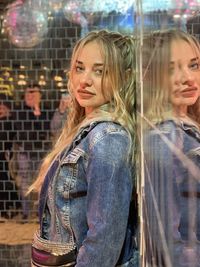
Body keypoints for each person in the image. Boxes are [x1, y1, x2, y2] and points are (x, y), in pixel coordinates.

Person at [29, 30, 138, 267]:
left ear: (124, 77)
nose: (85, 80)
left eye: (100, 71)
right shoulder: (87, 128)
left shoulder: (108, 138)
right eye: (80, 68)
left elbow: (104, 240)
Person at [142, 29, 200, 267]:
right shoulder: (165, 138)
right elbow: (166, 241)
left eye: (194, 65)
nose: (187, 78)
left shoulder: (186, 128)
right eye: (170, 69)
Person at [9, 84, 52, 220]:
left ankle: (39, 213)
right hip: (24, 152)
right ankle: (26, 212)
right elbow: (23, 130)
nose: (30, 95)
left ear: (40, 95)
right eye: (28, 93)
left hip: (41, 152)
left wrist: (37, 110)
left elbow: (45, 129)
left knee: (42, 182)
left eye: (33, 93)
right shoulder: (19, 110)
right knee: (25, 182)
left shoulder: (45, 110)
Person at [0, 93, 20, 219]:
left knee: (6, 182)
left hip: (6, 157)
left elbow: (8, 139)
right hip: (4, 156)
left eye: (2, 107)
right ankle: (5, 208)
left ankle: (10, 207)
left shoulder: (11, 122)